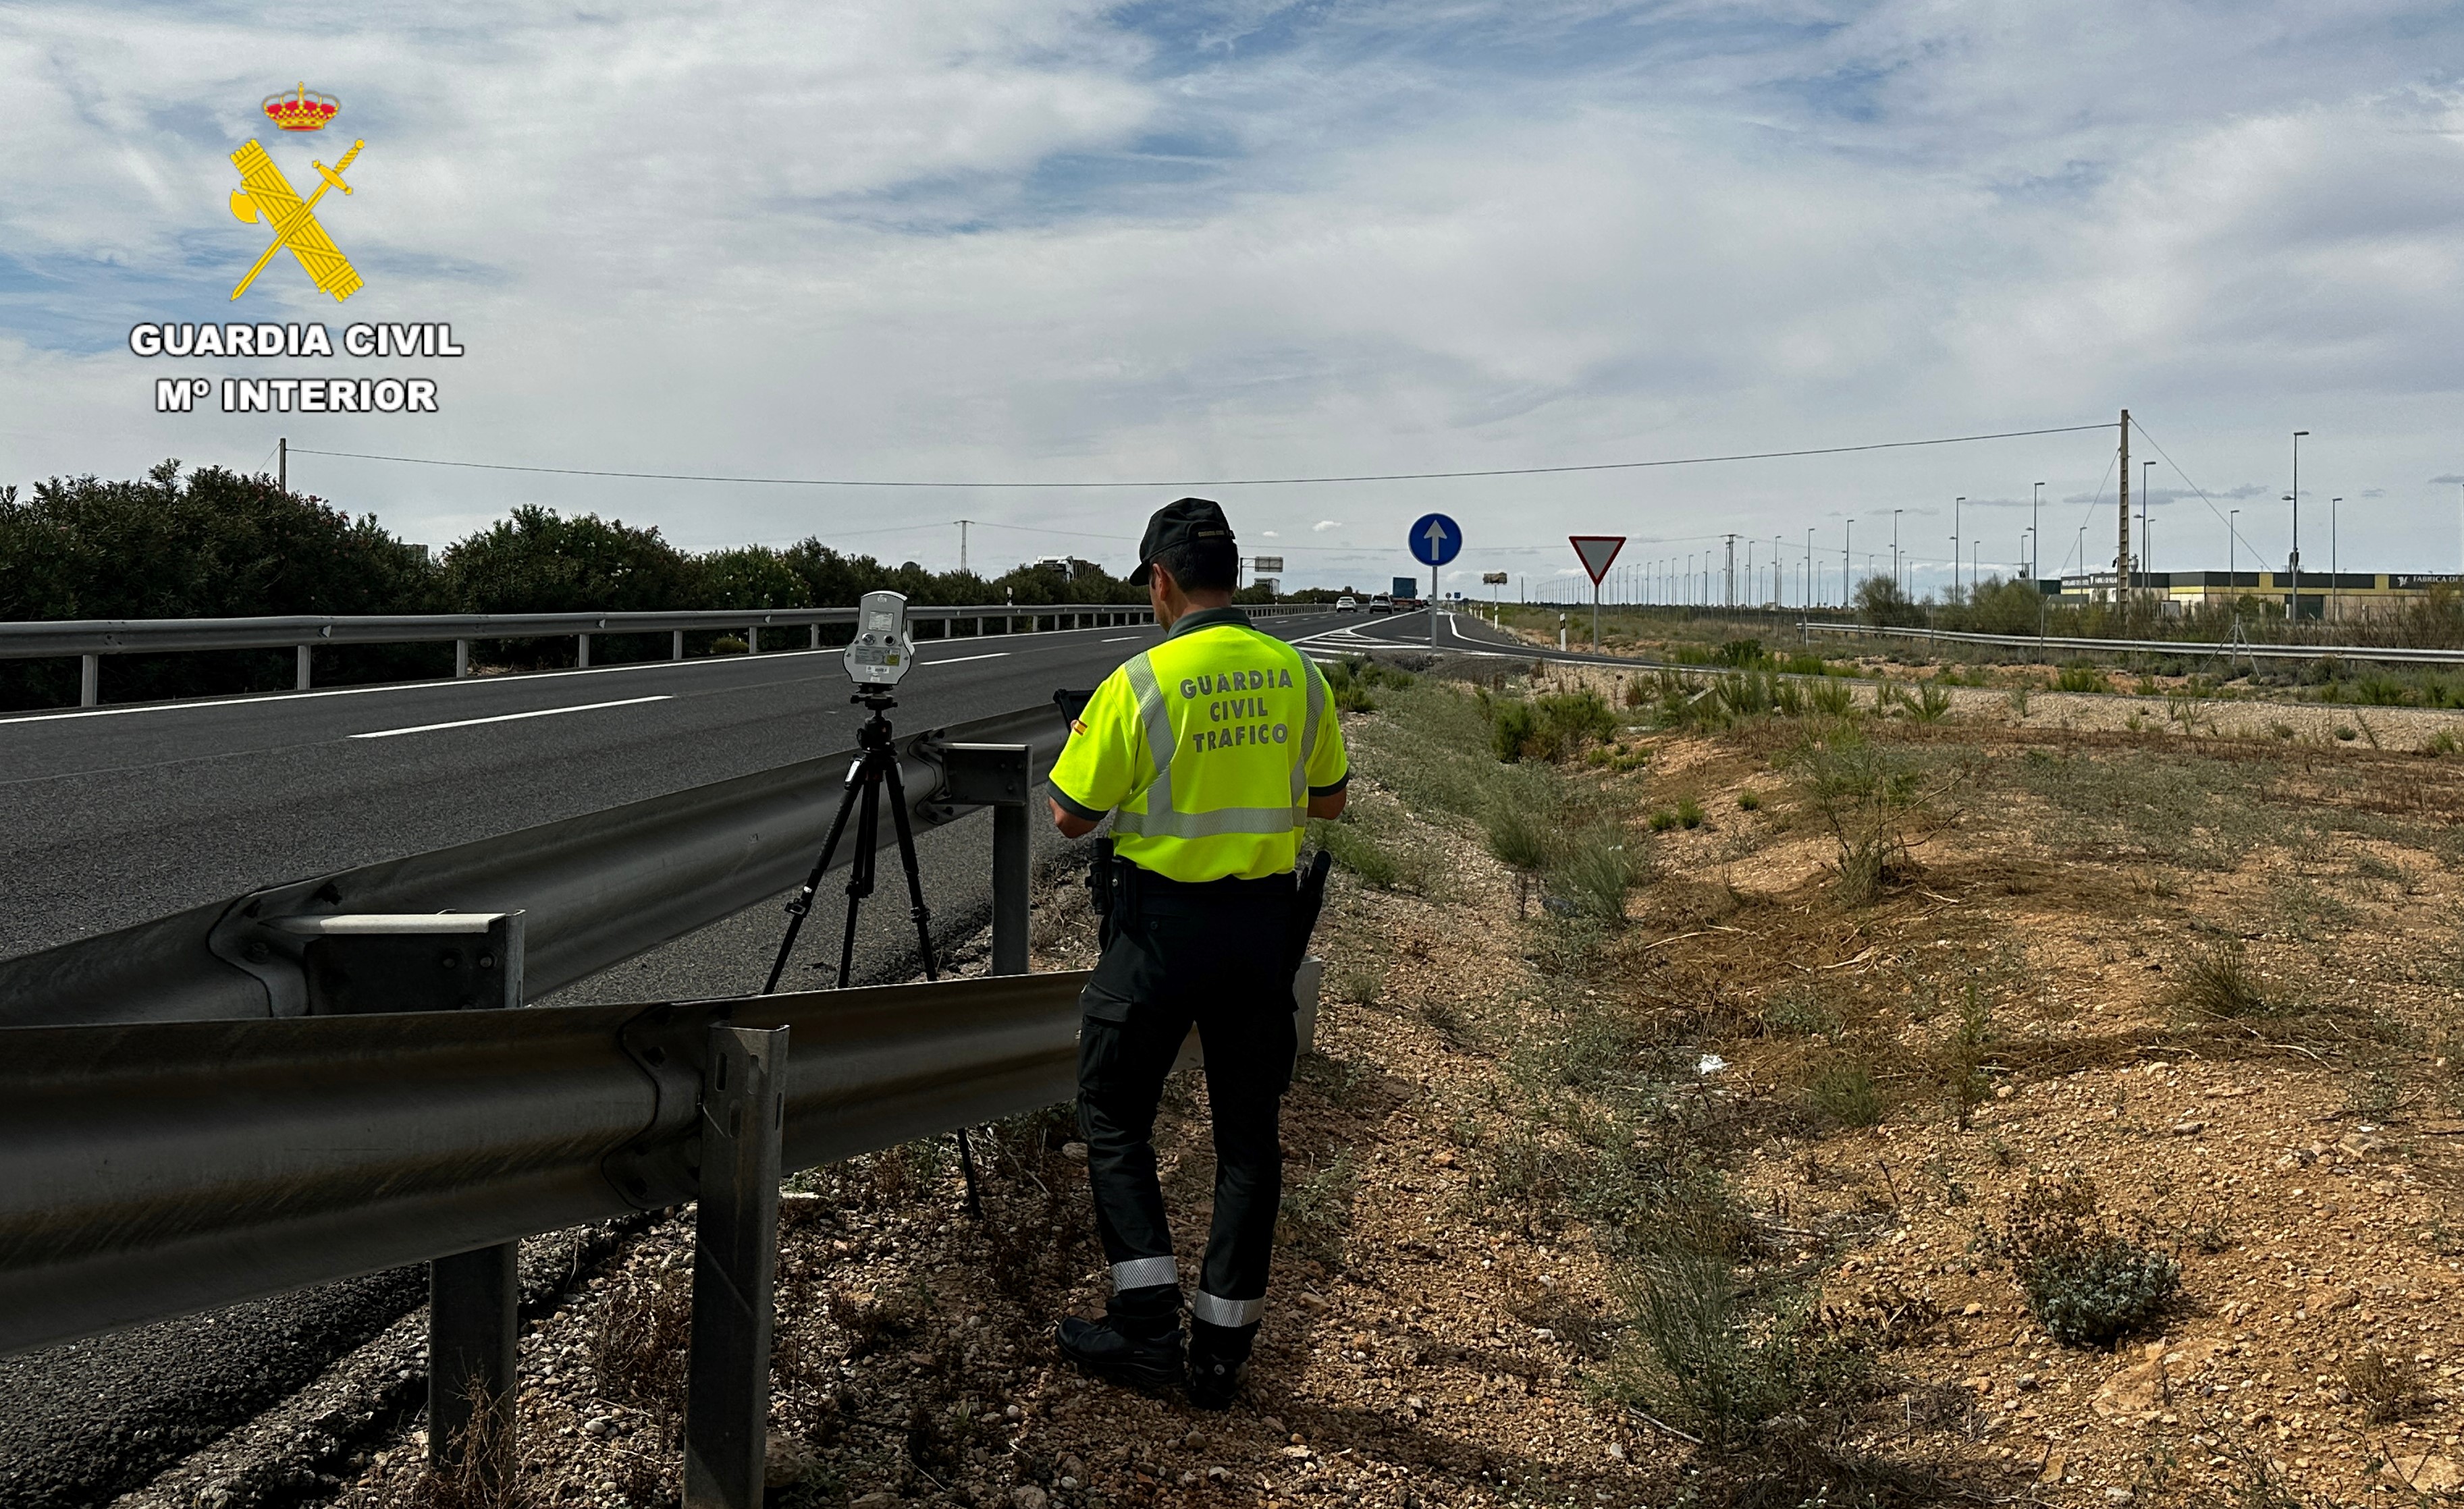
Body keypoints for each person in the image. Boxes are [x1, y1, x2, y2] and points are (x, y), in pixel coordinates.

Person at [1044, 496, 1350, 1407]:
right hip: (1260, 936)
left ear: (1161, 581)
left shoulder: (1139, 682)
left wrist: (1093, 744)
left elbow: (1069, 815)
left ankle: (1144, 1332)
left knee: (1111, 1115)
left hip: (1156, 935)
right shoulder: (1299, 676)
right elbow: (1328, 804)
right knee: (1248, 1142)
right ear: (1235, 577)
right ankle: (1220, 1356)